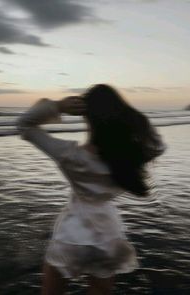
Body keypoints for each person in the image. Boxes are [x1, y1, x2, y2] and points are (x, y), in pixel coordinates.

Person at [17, 84, 165, 295]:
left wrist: (58, 106)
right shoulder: (127, 156)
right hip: (108, 235)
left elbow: (24, 125)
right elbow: (159, 145)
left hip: (71, 235)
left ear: (87, 116)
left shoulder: (70, 155)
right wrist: (129, 114)